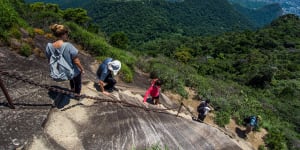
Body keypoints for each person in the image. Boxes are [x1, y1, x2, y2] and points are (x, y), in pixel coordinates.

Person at [45, 24, 85, 94]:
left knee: (71, 76)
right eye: (67, 34)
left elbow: (50, 60)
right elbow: (76, 61)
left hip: (59, 71)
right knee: (77, 79)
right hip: (69, 71)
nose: (67, 36)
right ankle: (77, 95)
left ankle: (72, 89)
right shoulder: (68, 45)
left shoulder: (49, 46)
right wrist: (82, 69)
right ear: (64, 34)